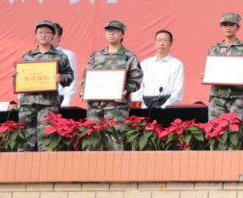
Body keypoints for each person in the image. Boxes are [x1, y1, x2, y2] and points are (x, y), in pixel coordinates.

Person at [81, 20, 142, 151]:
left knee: (114, 140)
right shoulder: (96, 55)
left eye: (115, 31)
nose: (112, 33)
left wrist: (126, 89)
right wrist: (83, 91)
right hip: (94, 106)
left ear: (122, 34)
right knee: (93, 141)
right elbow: (86, 76)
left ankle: (115, 165)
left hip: (116, 107)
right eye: (109, 30)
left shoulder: (129, 56)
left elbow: (136, 80)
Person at [15, 20, 74, 151]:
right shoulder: (28, 56)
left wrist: (62, 78)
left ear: (53, 36)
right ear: (35, 35)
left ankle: (45, 164)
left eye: (47, 32)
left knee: (46, 141)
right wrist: (16, 75)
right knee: (25, 141)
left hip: (48, 103)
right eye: (40, 32)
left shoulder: (60, 56)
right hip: (27, 104)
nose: (43, 35)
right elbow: (21, 79)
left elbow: (70, 76)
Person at [205, 13, 243, 120]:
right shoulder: (214, 49)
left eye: (231, 25)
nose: (228, 28)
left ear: (238, 27)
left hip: (237, 97)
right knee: (215, 128)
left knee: (236, 127)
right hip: (217, 97)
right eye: (225, 25)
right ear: (221, 27)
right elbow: (211, 70)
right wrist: (206, 75)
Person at [132, 29, 184, 108]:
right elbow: (137, 88)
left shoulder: (177, 64)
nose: (161, 43)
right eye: (159, 40)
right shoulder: (145, 64)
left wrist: (164, 108)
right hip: (145, 104)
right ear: (155, 42)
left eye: (165, 40)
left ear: (171, 43)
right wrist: (142, 107)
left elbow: (178, 91)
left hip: (168, 106)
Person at [53, 23, 77, 107]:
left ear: (59, 37)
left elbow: (72, 80)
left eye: (53, 33)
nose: (49, 36)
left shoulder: (67, 54)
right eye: (48, 32)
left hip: (58, 99)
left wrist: (66, 101)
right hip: (35, 100)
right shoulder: (34, 55)